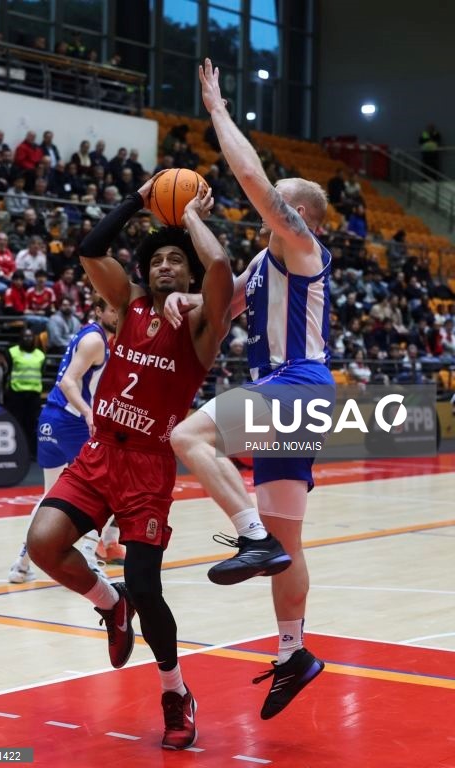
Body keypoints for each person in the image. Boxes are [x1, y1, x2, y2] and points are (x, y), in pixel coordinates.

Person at [25, 175, 237, 751]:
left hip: (147, 464)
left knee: (148, 585)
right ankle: (108, 604)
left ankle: (175, 691)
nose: (167, 266)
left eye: (177, 261)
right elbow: (91, 249)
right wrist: (140, 201)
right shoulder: (126, 305)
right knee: (44, 543)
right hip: (100, 453)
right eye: (158, 259)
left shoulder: (200, 324)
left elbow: (221, 270)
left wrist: (190, 217)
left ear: (189, 275)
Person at [167, 58, 335, 722]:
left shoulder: (303, 249)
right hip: (292, 394)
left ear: (299, 215)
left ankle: (248, 533)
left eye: (277, 197)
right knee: (289, 539)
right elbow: (218, 299)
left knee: (188, 435)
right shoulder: (267, 262)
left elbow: (252, 180)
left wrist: (217, 111)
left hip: (296, 383)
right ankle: (294, 652)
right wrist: (188, 230)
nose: (266, 201)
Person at [9, 298, 124, 583]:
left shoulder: (90, 335)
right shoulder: (96, 340)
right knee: (107, 488)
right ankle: (88, 555)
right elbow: (67, 382)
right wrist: (88, 413)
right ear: (98, 311)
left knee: (50, 497)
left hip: (50, 419)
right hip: (70, 421)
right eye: (112, 310)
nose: (117, 316)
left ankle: (21, 564)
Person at [5, 328, 46, 458]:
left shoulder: (41, 355)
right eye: (25, 336)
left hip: (34, 395)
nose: (27, 339)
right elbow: (7, 372)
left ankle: (32, 452)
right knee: (18, 423)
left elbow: (42, 372)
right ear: (20, 338)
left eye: (30, 336)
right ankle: (17, 452)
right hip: (17, 394)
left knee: (33, 424)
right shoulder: (12, 352)